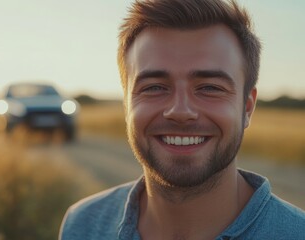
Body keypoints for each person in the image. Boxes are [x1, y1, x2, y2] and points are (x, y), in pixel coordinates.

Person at [59, 0, 305, 239]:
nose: (180, 111)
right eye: (154, 87)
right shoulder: (82, 224)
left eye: (209, 87)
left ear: (247, 107)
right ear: (126, 104)